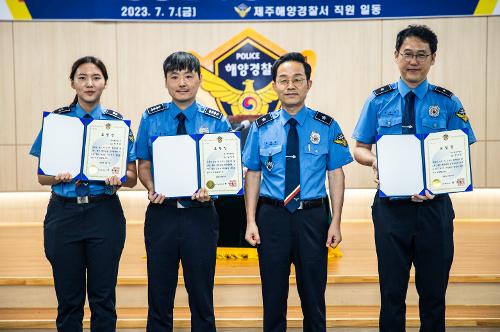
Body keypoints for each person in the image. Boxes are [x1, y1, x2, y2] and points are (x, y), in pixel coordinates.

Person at [352, 25, 476, 332]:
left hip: (434, 211)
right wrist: (377, 161)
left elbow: (458, 154)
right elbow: (360, 149)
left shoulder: (448, 102)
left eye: (422, 55)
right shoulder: (378, 100)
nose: (414, 61)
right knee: (391, 293)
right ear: (396, 56)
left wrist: (442, 182)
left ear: (433, 58)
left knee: (433, 294)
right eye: (408, 54)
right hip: (391, 210)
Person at [243, 52, 353, 332]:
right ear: (274, 86)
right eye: (283, 80)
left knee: (314, 296)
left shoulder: (327, 126)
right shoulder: (260, 127)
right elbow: (253, 174)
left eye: (297, 79)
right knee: (273, 297)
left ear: (308, 84)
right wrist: (251, 221)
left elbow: (336, 174)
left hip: (312, 218)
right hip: (272, 217)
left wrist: (335, 222)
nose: (290, 85)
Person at [30, 56, 138, 331]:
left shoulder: (116, 126)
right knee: (69, 300)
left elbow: (133, 177)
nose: (89, 83)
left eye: (96, 77)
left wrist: (119, 179)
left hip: (104, 212)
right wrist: (57, 176)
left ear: (105, 83)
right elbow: (42, 177)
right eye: (82, 77)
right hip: (63, 213)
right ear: (73, 83)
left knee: (103, 298)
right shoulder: (57, 122)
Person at [136, 51, 231, 332]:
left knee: (201, 295)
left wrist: (212, 190)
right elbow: (143, 164)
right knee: (159, 293)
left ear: (200, 80)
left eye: (189, 76)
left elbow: (225, 170)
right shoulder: (151, 117)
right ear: (165, 82)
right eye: (174, 76)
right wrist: (152, 187)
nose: (182, 82)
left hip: (200, 216)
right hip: (161, 215)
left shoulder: (216, 120)